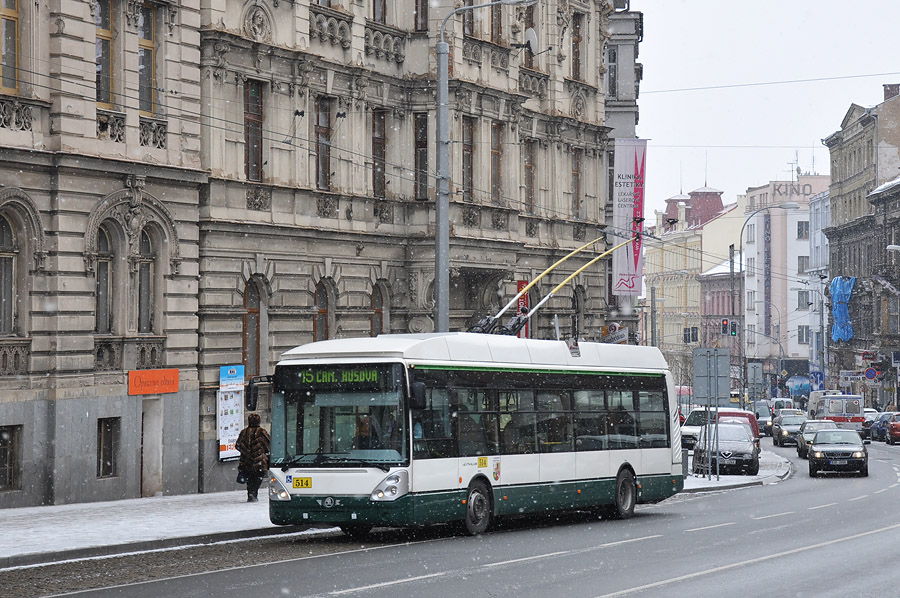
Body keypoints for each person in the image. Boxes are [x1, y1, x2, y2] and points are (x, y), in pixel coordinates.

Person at [236, 413, 270, 502]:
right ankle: (253, 493)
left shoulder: (244, 432)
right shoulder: (262, 432)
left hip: (246, 461)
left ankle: (250, 493)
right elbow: (268, 444)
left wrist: (246, 452)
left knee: (250, 478)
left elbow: (238, 445)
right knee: (258, 477)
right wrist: (261, 451)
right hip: (259, 461)